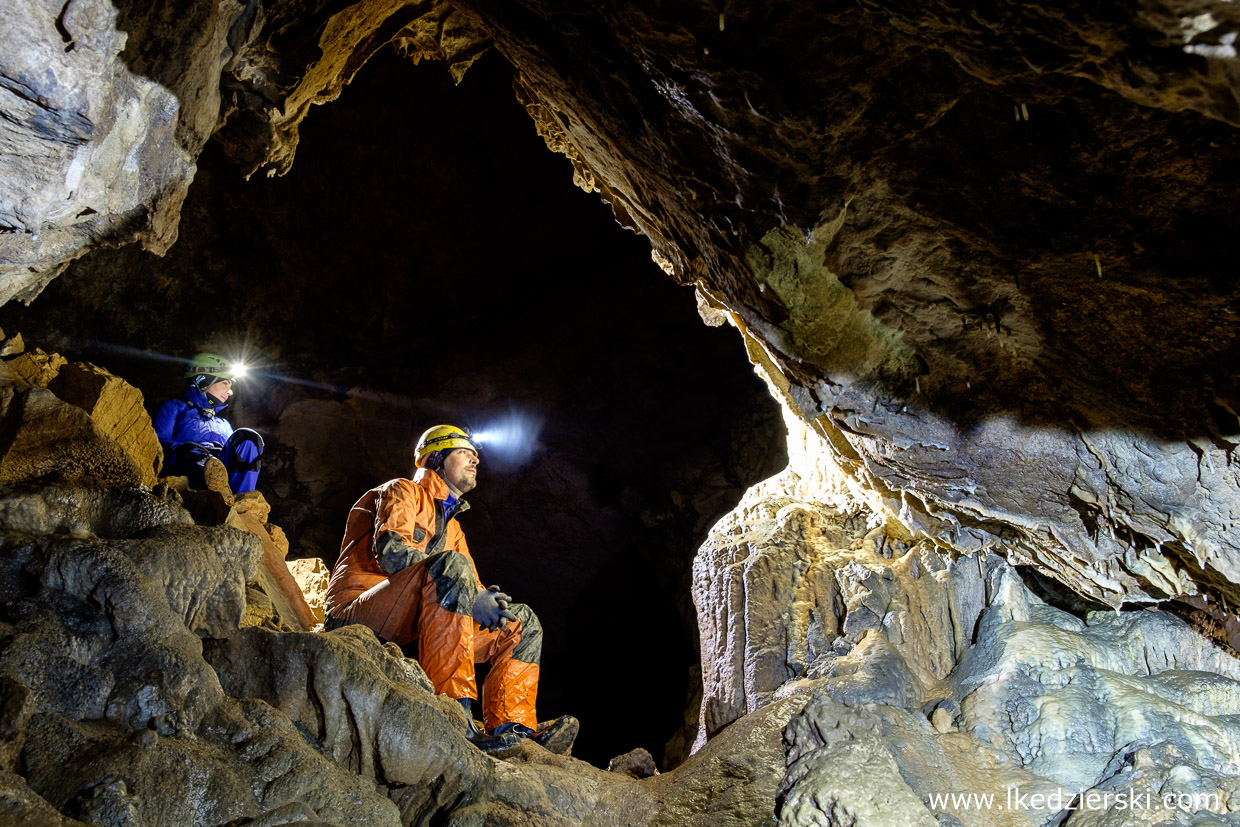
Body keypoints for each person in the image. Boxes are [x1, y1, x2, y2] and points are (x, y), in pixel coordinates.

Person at [324, 424, 577, 754]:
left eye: (475, 455)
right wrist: (472, 595)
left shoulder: (453, 528)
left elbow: (471, 586)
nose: (475, 460)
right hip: (358, 612)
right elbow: (392, 552)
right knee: (452, 567)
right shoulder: (402, 491)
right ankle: (454, 714)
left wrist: (489, 603)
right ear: (436, 459)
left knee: (521, 621)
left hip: (413, 619)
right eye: (464, 453)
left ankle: (510, 728)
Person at [153, 352, 265, 494]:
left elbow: (235, 455)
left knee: (248, 438)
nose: (230, 392)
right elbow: (157, 442)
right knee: (195, 457)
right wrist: (190, 450)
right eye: (225, 383)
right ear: (204, 381)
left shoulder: (223, 423)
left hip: (220, 469)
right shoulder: (175, 408)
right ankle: (209, 490)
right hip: (188, 467)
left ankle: (240, 500)